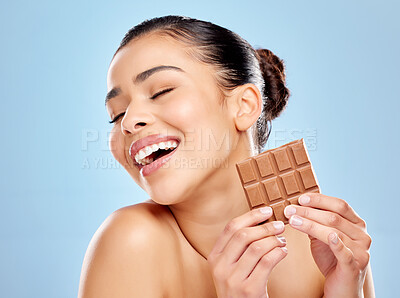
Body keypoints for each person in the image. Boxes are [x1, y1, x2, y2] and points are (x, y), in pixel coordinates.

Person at [78, 15, 375, 298]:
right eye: (116, 115)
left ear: (244, 106)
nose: (129, 121)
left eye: (161, 91)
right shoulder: (132, 241)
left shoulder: (326, 245)